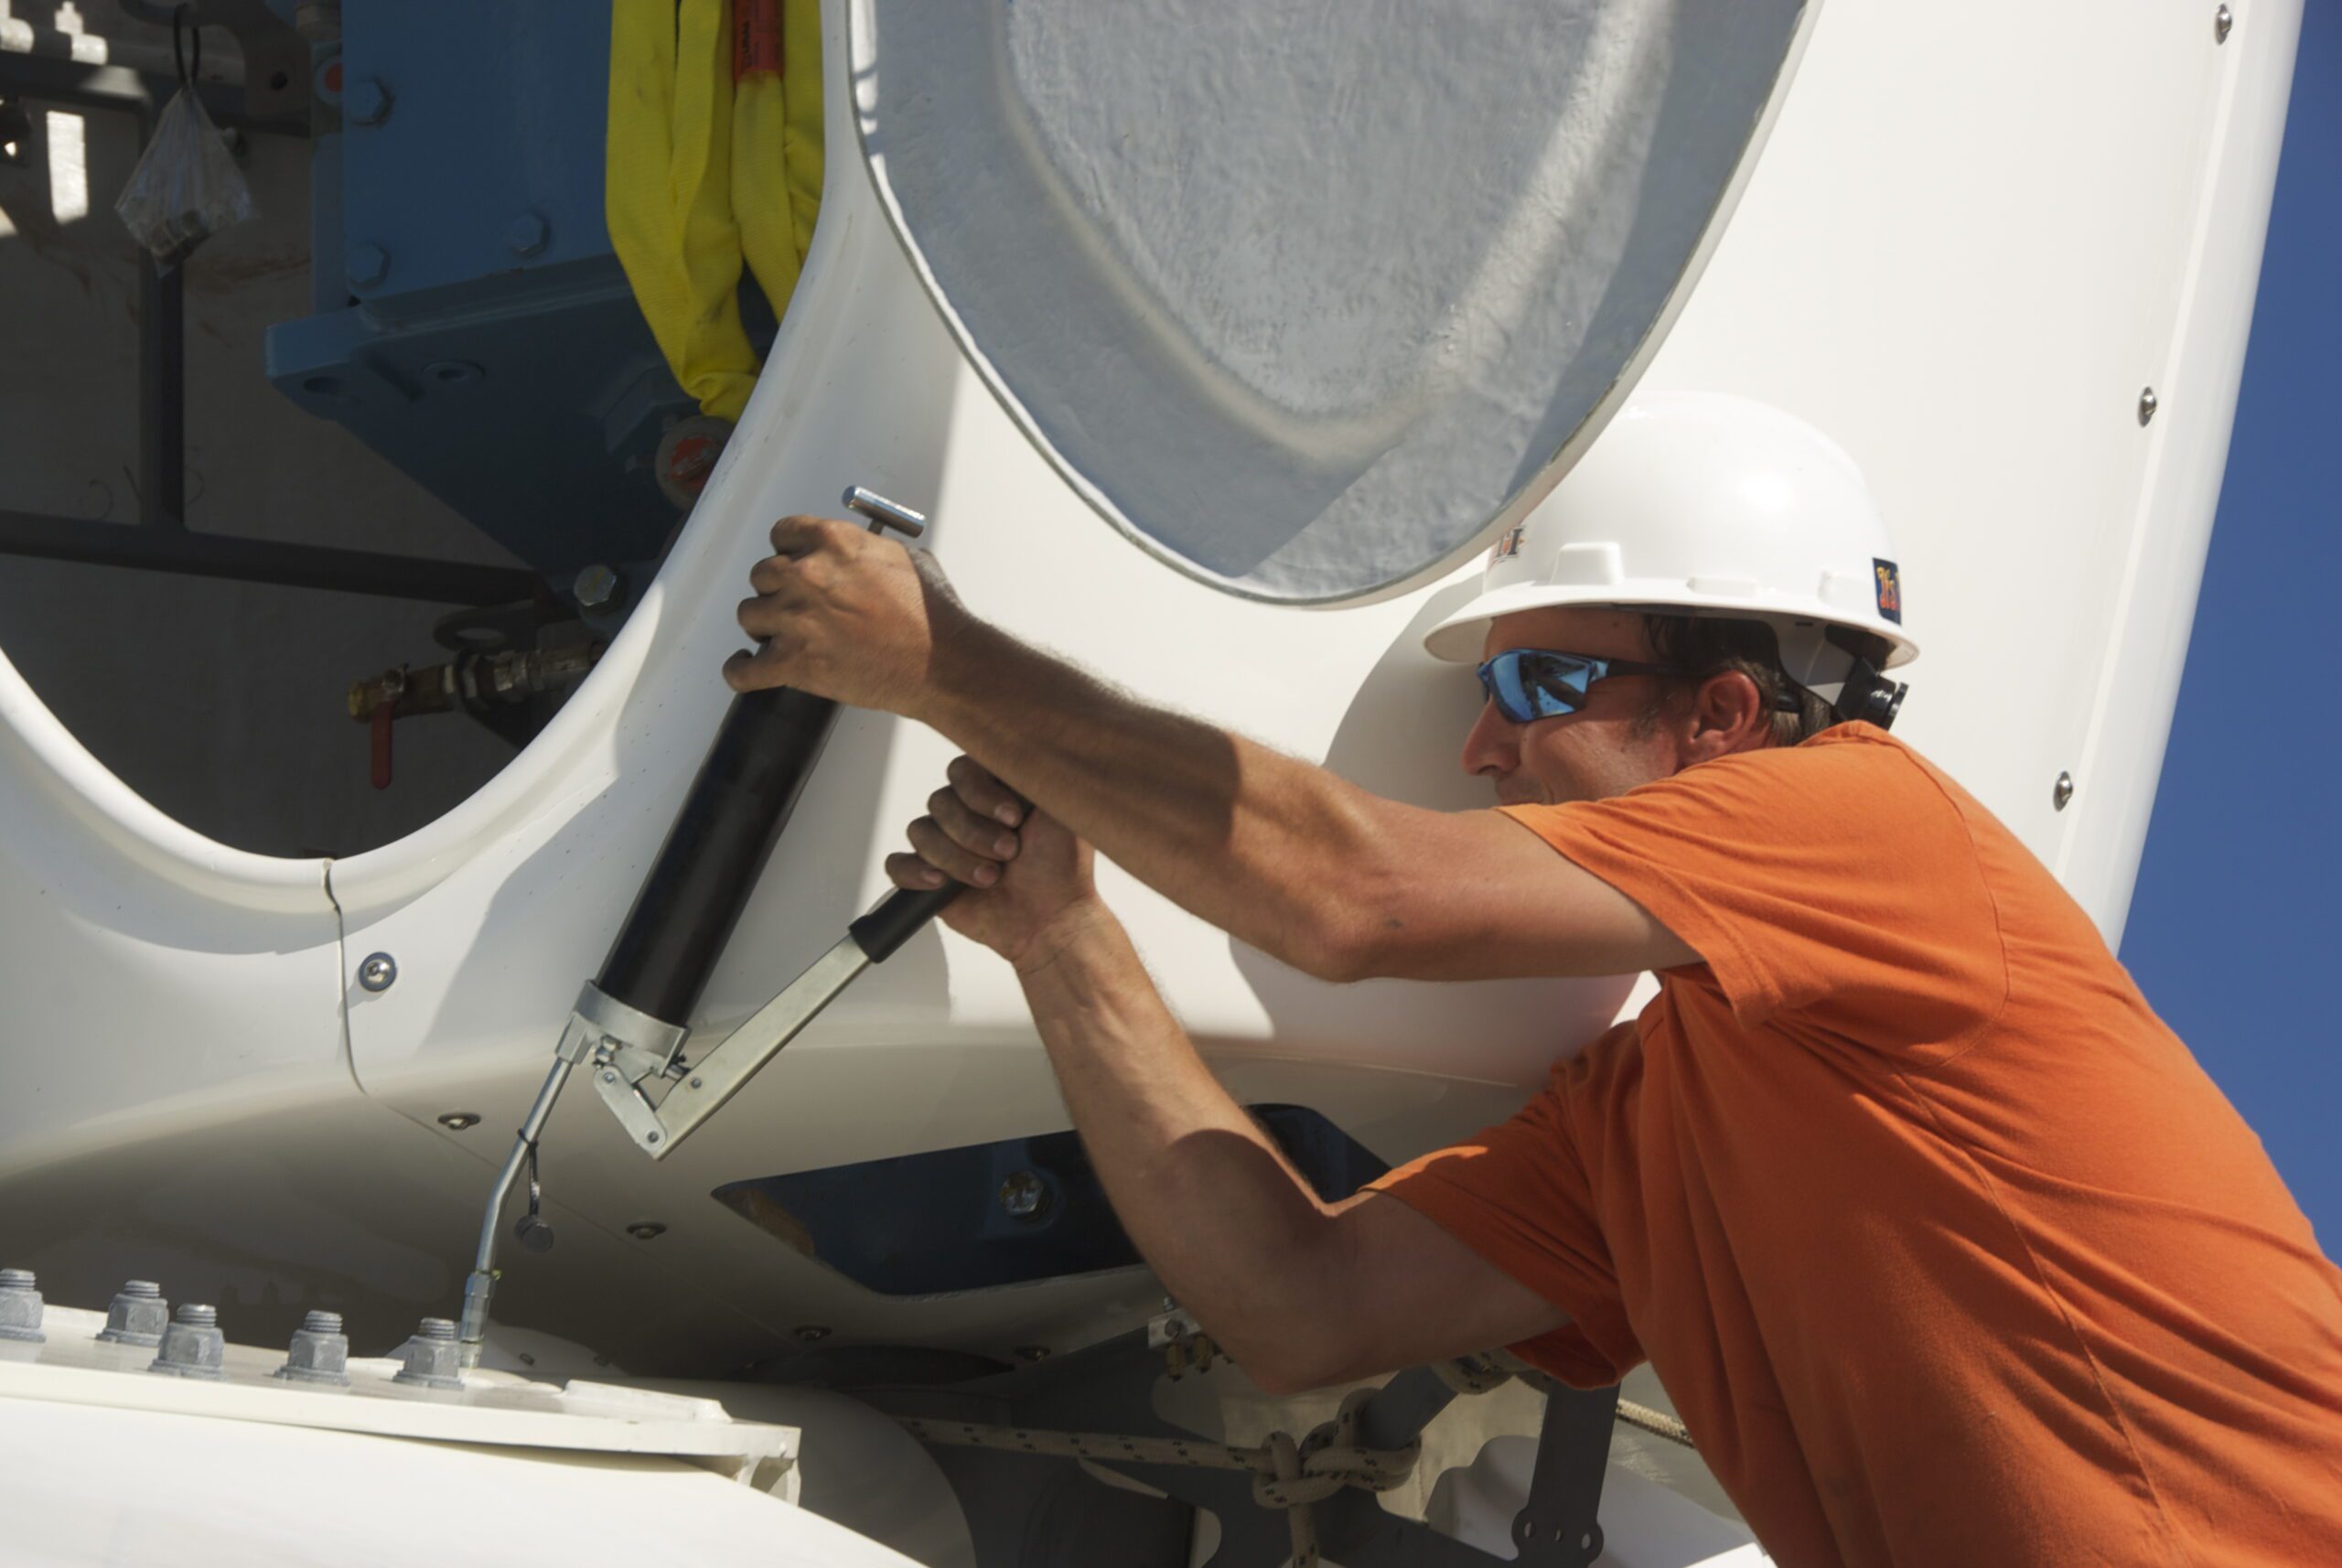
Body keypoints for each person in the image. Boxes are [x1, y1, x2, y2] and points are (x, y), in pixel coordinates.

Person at [725, 392, 2342, 1567]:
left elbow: (1357, 896)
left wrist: (947, 665)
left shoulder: (1873, 827)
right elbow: (1304, 1305)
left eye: (1539, 677)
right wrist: (1062, 940)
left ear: (1721, 716)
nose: (1485, 740)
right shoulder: (1649, 1111)